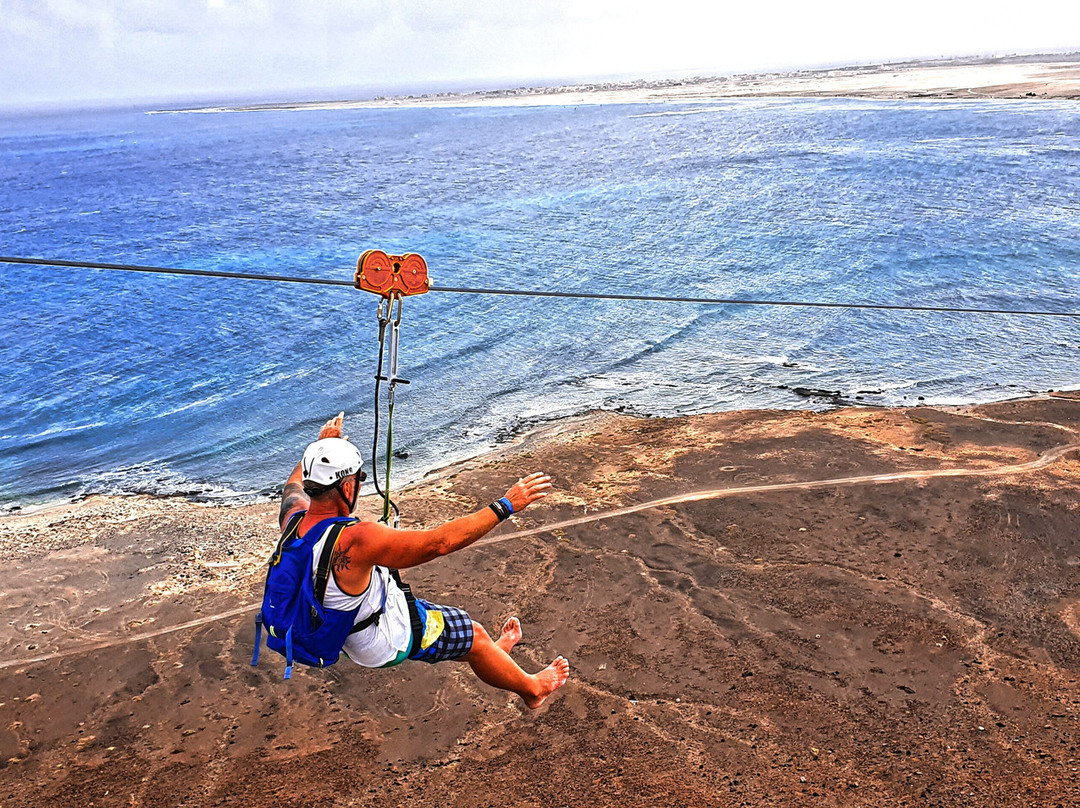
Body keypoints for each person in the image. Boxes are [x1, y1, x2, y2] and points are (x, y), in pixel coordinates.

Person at [277, 412, 570, 709]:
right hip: (388, 635)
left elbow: (293, 488)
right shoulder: (357, 539)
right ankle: (532, 689)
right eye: (359, 478)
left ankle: (493, 656)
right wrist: (506, 504)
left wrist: (322, 449)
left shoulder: (293, 519)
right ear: (348, 487)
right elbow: (440, 543)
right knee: (474, 635)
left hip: (353, 629)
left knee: (461, 633)